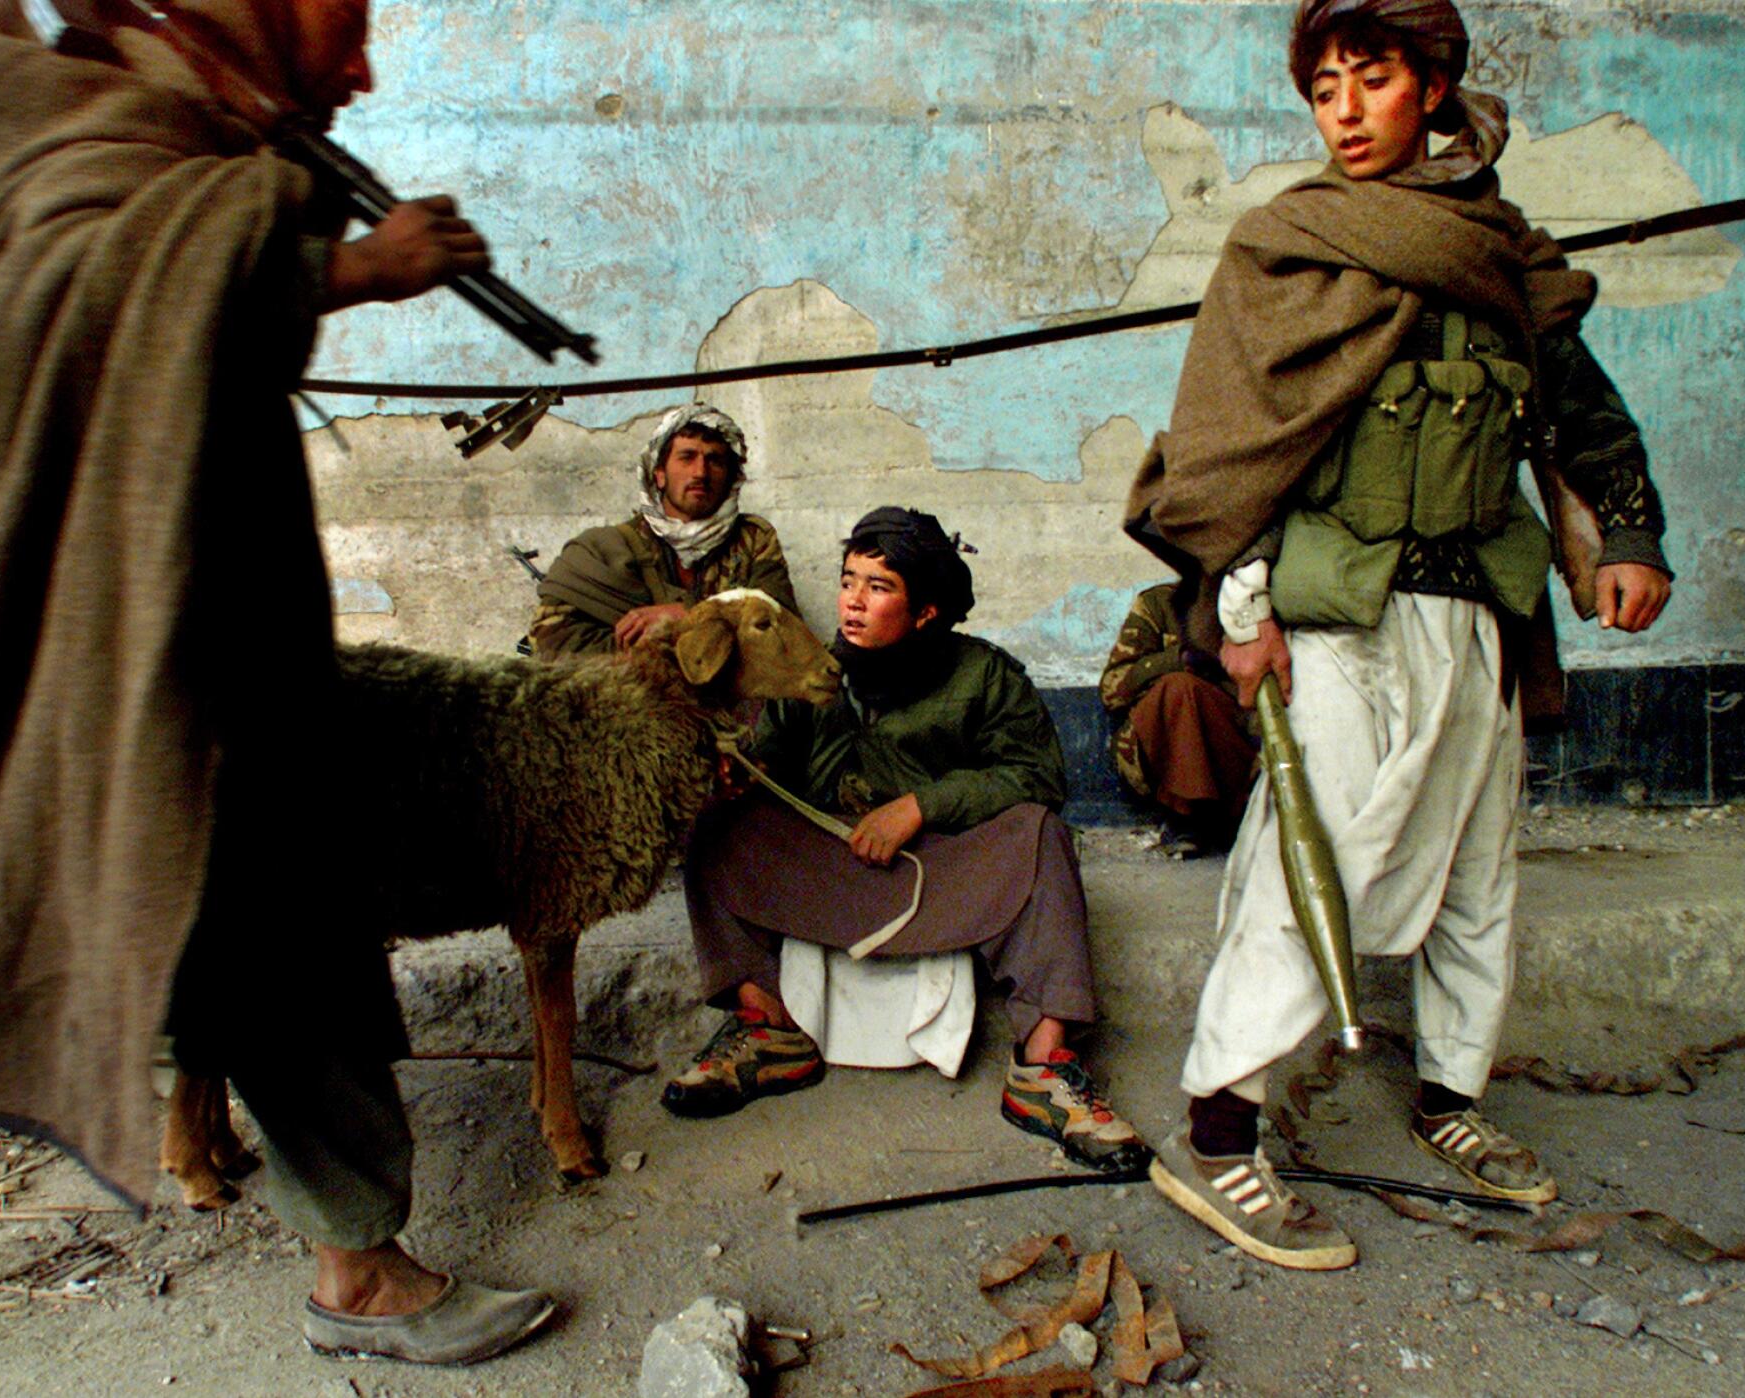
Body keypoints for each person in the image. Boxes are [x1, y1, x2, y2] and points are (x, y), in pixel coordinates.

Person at [0, 0, 554, 1379]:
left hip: (221, 683)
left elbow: (185, 316)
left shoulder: (195, 151)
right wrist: (349, 272)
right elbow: (99, 306)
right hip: (66, 693)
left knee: (294, 966)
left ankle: (362, 1268)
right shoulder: (85, 136)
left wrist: (317, 257)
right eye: (342, 25)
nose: (361, 68)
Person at [1123, 0, 1671, 1270]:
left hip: (1474, 610)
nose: (1343, 109)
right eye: (1322, 88)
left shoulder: (1501, 254)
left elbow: (1581, 412)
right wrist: (1238, 615)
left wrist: (1629, 540)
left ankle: (1450, 1100)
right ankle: (1217, 1131)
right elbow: (1223, 454)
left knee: (1479, 873)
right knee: (1312, 861)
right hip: (1331, 618)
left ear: (1431, 86)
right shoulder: (1288, 247)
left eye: (1368, 79)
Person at [661, 507, 1149, 1174]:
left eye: (878, 587)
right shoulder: (812, 673)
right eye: (847, 581)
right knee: (716, 824)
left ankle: (1046, 1065)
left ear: (925, 612)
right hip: (833, 873)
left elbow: (1038, 775)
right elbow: (764, 764)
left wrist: (922, 806)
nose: (852, 603)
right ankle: (766, 1026)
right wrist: (736, 769)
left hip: (941, 876)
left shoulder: (985, 675)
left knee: (1040, 835)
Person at [526, 405, 799, 656]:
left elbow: (782, 621)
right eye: (687, 457)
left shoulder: (753, 539)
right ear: (659, 474)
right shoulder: (604, 549)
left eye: (714, 460)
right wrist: (653, 655)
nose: (700, 473)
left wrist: (689, 616)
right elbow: (550, 640)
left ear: (730, 477)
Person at [1098, 581, 1257, 855]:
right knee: (1180, 689)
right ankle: (1186, 816)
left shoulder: (1256, 605)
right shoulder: (1159, 604)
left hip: (1239, 748)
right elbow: (1112, 691)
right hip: (1159, 753)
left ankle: (1232, 819)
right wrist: (1178, 659)